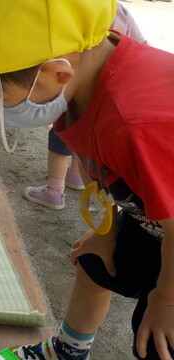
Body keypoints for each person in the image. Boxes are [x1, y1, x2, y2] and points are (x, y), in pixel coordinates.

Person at [0, 1, 174, 359]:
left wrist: (166, 297)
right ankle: (67, 351)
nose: (2, 111)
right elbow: (97, 166)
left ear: (57, 73)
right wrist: (107, 233)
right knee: (94, 262)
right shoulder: (79, 88)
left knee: (157, 336)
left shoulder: (133, 124)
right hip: (156, 215)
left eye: (1, 100)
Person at [23, 1, 148, 211]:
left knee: (63, 137)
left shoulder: (67, 9)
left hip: (72, 90)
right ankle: (75, 175)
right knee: (86, 144)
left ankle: (55, 190)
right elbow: (142, 46)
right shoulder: (118, 10)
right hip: (106, 94)